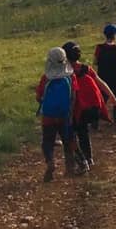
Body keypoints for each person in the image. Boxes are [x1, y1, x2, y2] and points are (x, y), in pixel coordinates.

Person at [63, 40, 116, 171]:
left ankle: (74, 163)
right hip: (86, 109)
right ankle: (89, 158)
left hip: (72, 110)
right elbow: (101, 83)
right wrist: (113, 97)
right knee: (83, 133)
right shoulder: (86, 69)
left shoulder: (63, 73)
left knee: (70, 136)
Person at [35, 47, 78, 182]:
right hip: (64, 115)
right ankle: (70, 167)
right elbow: (73, 96)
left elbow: (39, 97)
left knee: (47, 141)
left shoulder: (46, 78)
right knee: (67, 140)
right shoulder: (70, 77)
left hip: (48, 116)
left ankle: (50, 162)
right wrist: (70, 112)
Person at [94, 24, 116, 123]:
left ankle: (97, 121)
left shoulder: (99, 47)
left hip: (102, 76)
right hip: (115, 77)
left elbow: (95, 62)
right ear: (114, 35)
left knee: (101, 99)